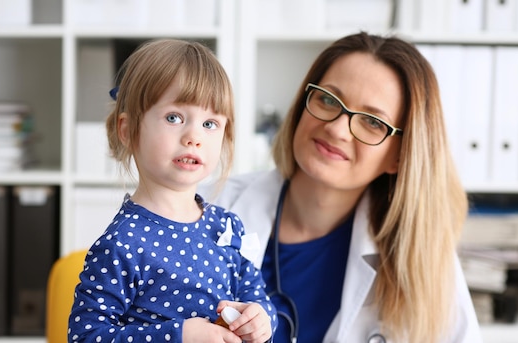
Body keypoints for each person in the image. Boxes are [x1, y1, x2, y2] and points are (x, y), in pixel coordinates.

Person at [201, 32, 482, 342]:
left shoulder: (422, 255)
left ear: (401, 156)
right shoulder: (206, 208)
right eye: (328, 99)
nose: (336, 129)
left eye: (373, 122)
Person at [67, 38, 277, 343]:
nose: (193, 136)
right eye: (174, 118)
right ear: (128, 130)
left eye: (210, 123)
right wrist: (177, 336)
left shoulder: (227, 226)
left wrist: (261, 320)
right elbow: (86, 336)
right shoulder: (122, 244)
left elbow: (256, 296)